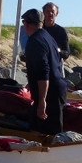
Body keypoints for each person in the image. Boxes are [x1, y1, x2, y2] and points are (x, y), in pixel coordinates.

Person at [21, 7, 66, 135]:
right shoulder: (47, 36)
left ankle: (53, 153)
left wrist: (42, 100)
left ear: (27, 24)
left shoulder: (35, 41)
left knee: (49, 134)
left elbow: (43, 72)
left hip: (50, 94)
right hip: (52, 90)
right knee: (35, 127)